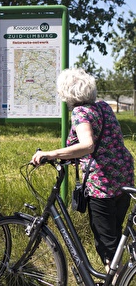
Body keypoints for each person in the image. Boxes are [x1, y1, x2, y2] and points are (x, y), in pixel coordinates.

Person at [31, 68, 134, 272]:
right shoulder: (103, 107)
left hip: (102, 183)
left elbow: (87, 145)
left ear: (66, 93)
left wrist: (51, 154)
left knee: (107, 247)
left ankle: (115, 277)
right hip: (124, 175)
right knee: (114, 234)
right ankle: (120, 274)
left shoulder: (80, 112)